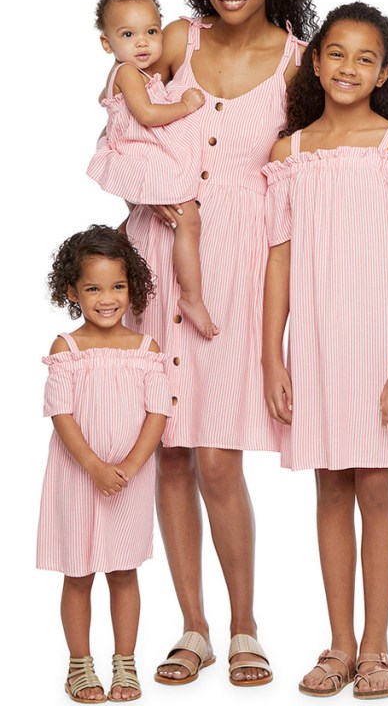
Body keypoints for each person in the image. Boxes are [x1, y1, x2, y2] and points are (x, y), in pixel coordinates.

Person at [119, 0, 316, 687]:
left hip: (237, 264)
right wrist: (150, 184)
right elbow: (119, 106)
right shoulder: (176, 39)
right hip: (154, 252)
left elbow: (298, 188)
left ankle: (244, 625)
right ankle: (192, 628)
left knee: (219, 457)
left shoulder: (299, 62)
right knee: (168, 453)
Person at [262, 2, 388, 699]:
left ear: (385, 71)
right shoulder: (290, 155)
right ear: (315, 61)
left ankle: (376, 648)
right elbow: (277, 262)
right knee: (329, 486)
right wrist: (270, 356)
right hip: (314, 341)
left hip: (380, 341)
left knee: (376, 485)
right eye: (335, 53)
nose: (347, 67)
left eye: (364, 57)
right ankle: (337, 644)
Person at [38, 226, 171, 702]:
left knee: (123, 572)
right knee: (78, 574)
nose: (107, 298)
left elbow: (158, 412)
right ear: (72, 292)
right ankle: (79, 666)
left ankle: (124, 663)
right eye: (93, 288)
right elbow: (62, 414)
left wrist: (132, 465)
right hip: (79, 478)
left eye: (117, 286)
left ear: (131, 287)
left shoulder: (146, 350)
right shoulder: (66, 349)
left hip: (128, 482)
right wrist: (93, 465)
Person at [87, 0, 216, 339]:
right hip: (146, 157)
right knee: (188, 221)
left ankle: (123, 236)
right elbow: (145, 114)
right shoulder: (127, 73)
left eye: (151, 32)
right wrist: (185, 106)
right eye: (128, 35)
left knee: (143, 220)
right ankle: (191, 296)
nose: (142, 43)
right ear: (107, 43)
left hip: (142, 156)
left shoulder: (133, 74)